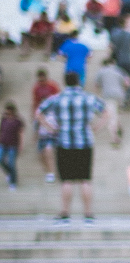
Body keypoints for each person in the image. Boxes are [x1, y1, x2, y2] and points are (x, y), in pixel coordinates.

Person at [35, 70, 105, 222]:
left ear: (65, 81)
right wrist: (97, 127)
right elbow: (105, 111)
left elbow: (39, 112)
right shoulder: (88, 97)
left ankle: (65, 212)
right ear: (78, 81)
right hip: (85, 142)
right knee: (85, 179)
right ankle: (88, 213)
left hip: (64, 142)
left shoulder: (58, 98)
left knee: (67, 180)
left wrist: (50, 128)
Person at [32, 68, 59, 181]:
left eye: (43, 80)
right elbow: (34, 103)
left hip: (52, 121)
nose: (41, 83)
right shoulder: (36, 88)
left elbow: (59, 100)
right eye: (40, 80)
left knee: (48, 150)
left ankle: (51, 172)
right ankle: (48, 171)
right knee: (40, 154)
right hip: (41, 118)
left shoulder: (53, 87)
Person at [97, 57, 127, 146]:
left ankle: (115, 138)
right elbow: (127, 82)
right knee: (117, 113)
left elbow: (97, 84)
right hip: (120, 95)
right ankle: (118, 126)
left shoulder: (101, 71)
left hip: (108, 96)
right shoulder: (118, 70)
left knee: (111, 116)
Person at [1, 102, 24, 190]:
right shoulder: (4, 119)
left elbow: (21, 133)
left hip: (13, 145)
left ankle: (13, 182)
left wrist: (21, 145)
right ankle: (9, 173)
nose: (7, 113)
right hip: (3, 143)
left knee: (11, 163)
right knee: (1, 159)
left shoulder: (18, 121)